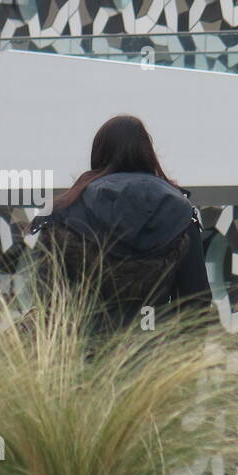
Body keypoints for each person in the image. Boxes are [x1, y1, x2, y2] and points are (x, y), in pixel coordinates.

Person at [30, 114, 211, 331]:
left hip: (85, 348)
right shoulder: (180, 211)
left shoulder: (65, 210)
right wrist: (187, 357)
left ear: (98, 153)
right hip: (155, 347)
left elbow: (46, 297)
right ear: (147, 153)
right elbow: (196, 299)